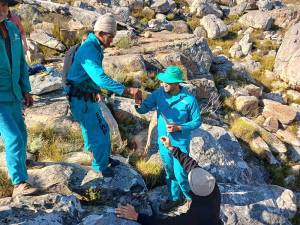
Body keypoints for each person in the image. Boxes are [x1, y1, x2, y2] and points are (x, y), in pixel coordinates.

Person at [66, 13, 141, 178]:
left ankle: (101, 156)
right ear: (100, 33)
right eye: (110, 36)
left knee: (96, 128)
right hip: (81, 99)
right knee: (100, 130)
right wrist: (126, 90)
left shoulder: (94, 46)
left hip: (85, 95)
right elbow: (99, 78)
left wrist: (96, 91)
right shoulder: (89, 50)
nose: (112, 40)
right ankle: (99, 167)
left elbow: (88, 76)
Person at [134, 66, 201, 211]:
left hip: (180, 144)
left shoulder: (189, 100)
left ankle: (190, 198)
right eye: (163, 81)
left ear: (177, 83)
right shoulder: (158, 94)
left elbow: (197, 121)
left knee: (180, 173)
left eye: (167, 82)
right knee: (170, 172)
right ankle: (174, 198)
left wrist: (180, 127)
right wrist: (137, 103)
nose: (163, 84)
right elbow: (143, 109)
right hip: (163, 142)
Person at [115, 136, 221, 225]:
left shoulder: (194, 216)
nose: (192, 173)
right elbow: (191, 164)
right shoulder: (209, 182)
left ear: (194, 190)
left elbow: (166, 224)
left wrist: (136, 216)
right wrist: (172, 148)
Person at [0, 0, 39, 197]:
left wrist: (26, 89)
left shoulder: (12, 29)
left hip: (14, 94)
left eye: (4, 5)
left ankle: (20, 167)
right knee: (13, 137)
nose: (2, 9)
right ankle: (19, 183)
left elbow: (22, 63)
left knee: (22, 135)